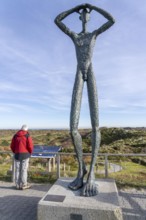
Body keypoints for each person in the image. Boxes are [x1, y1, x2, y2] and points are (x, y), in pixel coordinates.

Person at [55, 4, 115, 196]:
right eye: (83, 15)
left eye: (86, 15)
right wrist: (75, 9)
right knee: (73, 127)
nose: (85, 16)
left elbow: (111, 20)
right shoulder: (76, 36)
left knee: (95, 124)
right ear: (80, 18)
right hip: (79, 74)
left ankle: (92, 177)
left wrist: (93, 8)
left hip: (90, 71)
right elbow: (57, 20)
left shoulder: (94, 34)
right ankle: (81, 171)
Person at [10, 125, 33, 190]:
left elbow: (12, 146)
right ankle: (24, 184)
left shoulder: (15, 136)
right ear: (26, 129)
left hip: (17, 155)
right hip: (25, 155)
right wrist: (30, 153)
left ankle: (17, 184)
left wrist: (15, 151)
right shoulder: (27, 136)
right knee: (24, 170)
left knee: (17, 170)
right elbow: (30, 146)